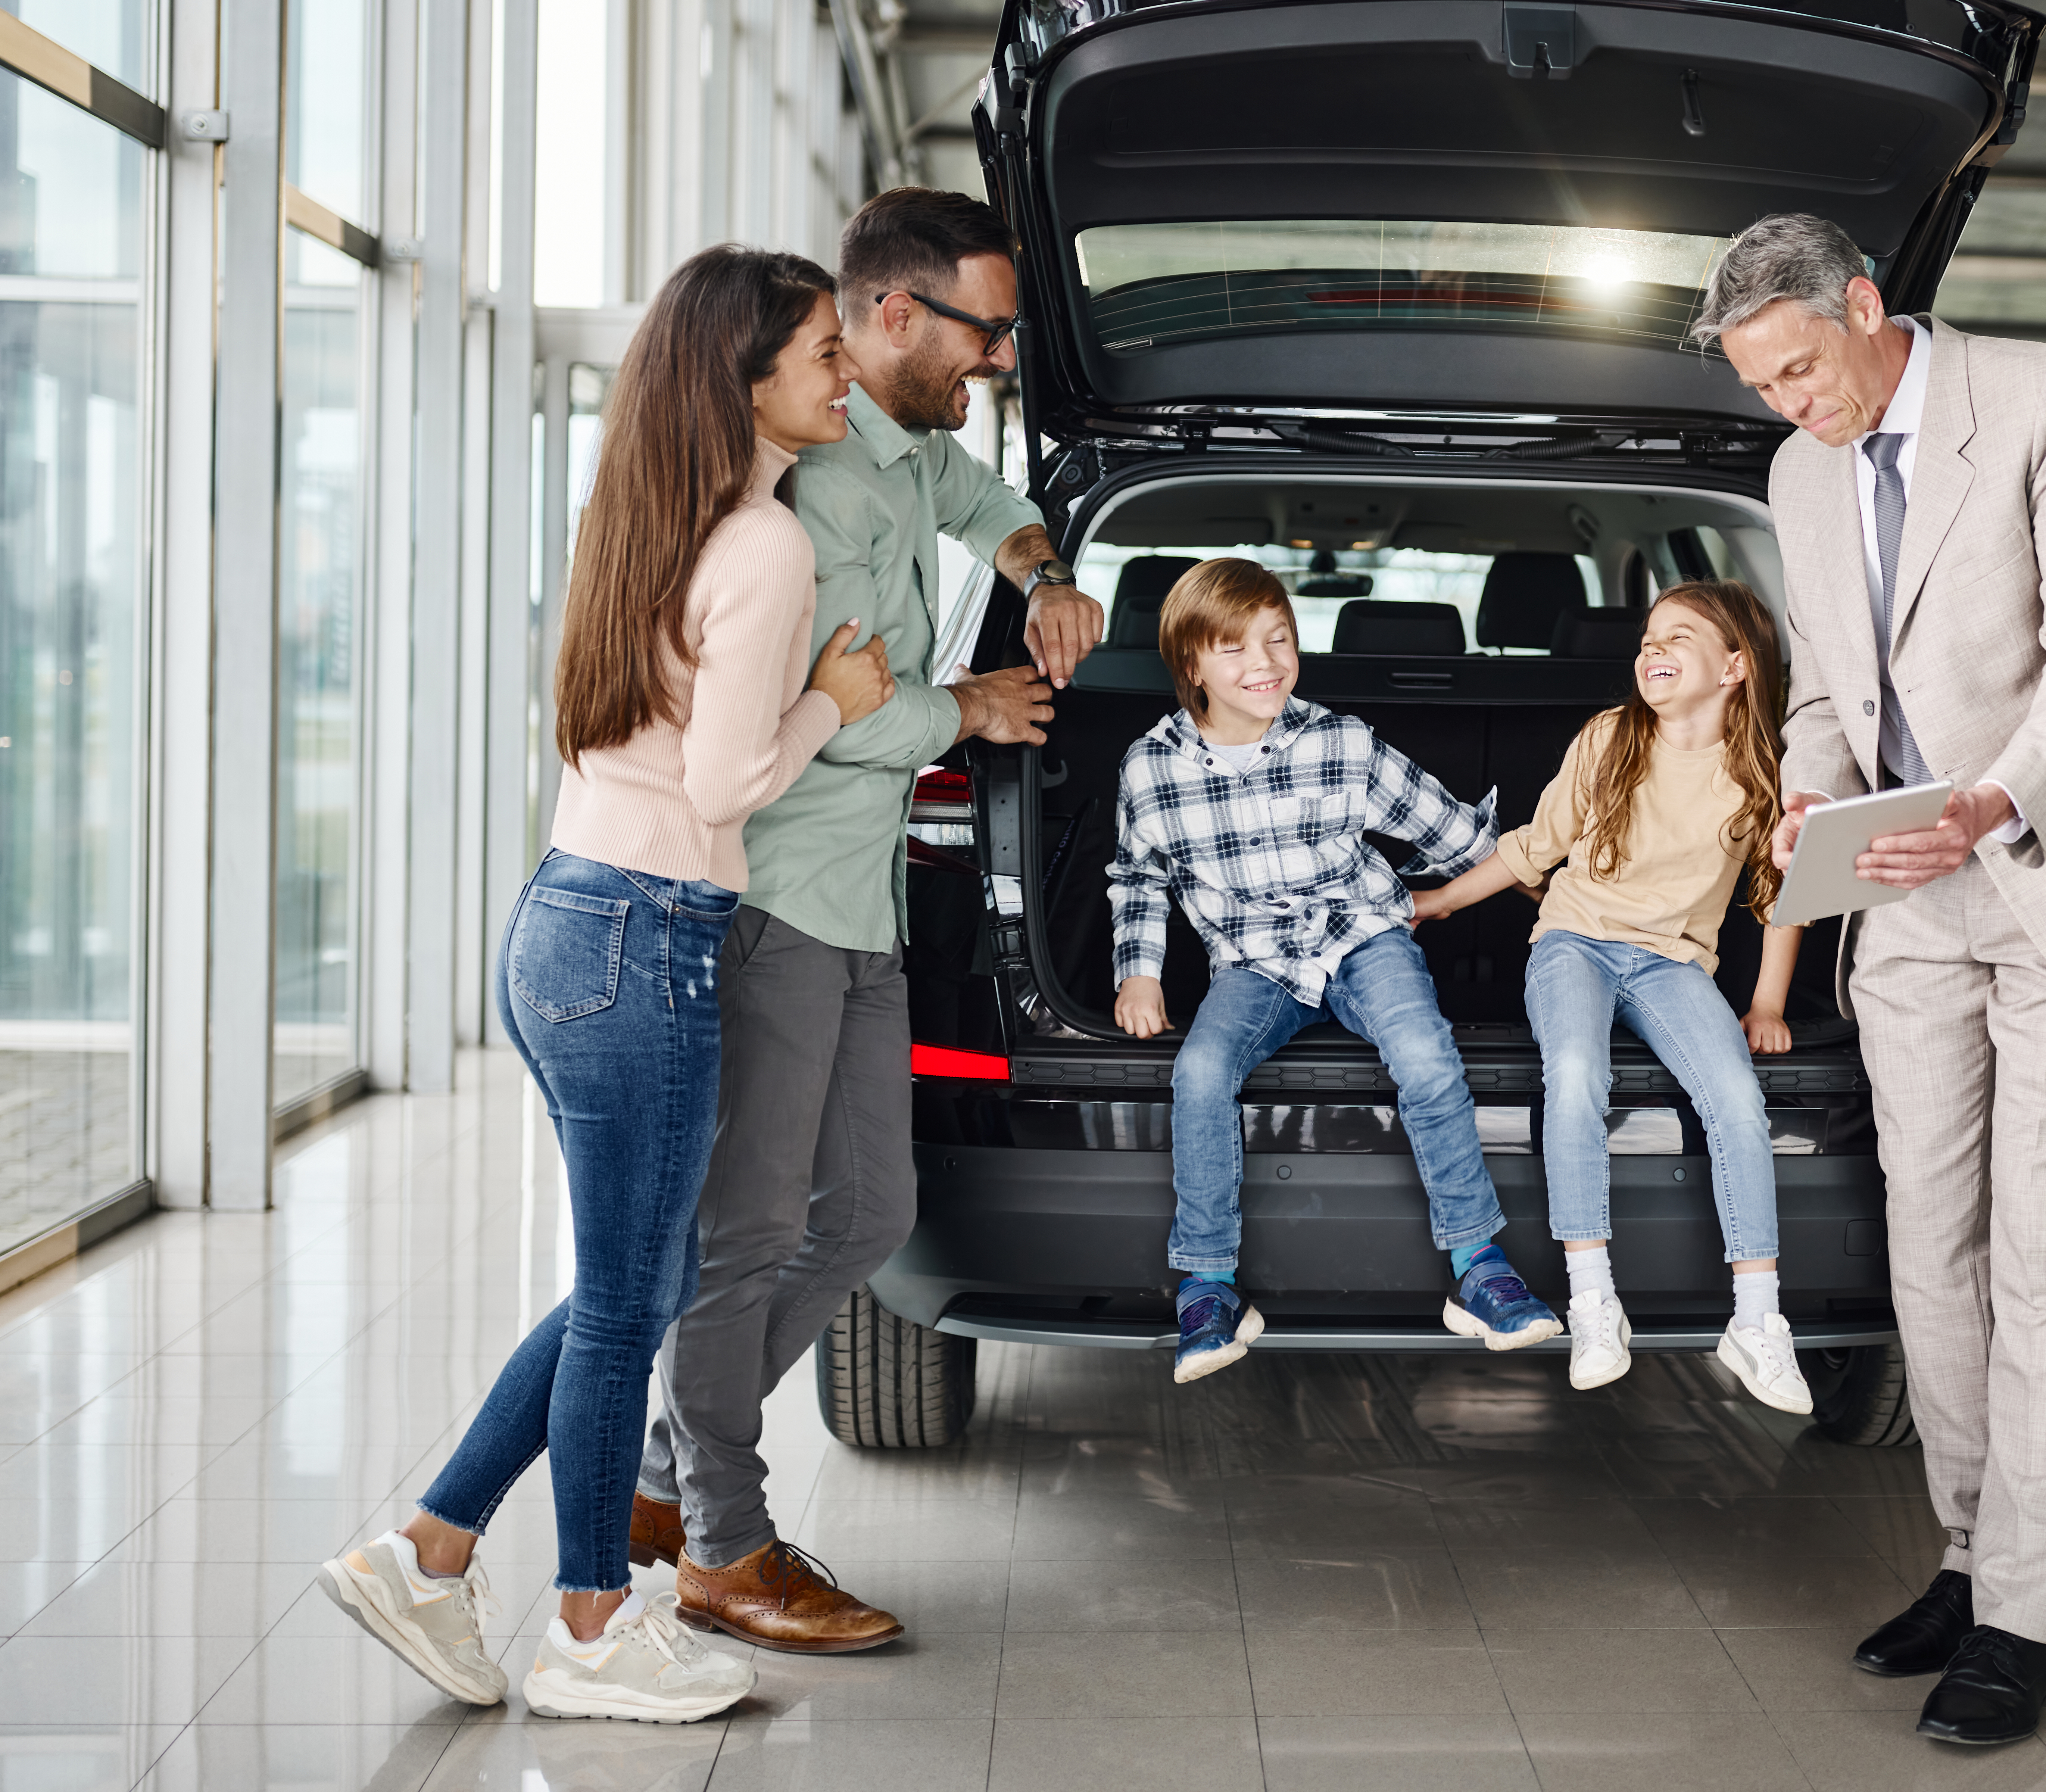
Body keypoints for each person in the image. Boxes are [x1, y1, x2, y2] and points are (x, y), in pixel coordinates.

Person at [316, 246, 896, 1722]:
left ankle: (431, 1549)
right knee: (631, 1296)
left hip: (566, 923)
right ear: (748, 378)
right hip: (648, 937)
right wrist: (837, 700)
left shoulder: (644, 514)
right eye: (825, 352)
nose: (846, 373)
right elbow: (722, 783)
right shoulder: (765, 545)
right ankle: (587, 1626)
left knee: (618, 1289)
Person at [1703, 215, 2046, 1746]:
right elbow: (1821, 692)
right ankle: (1961, 1549)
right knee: (1929, 1241)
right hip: (1902, 895)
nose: (1793, 405)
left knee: (2043, 1248)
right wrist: (1804, 798)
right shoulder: (1800, 473)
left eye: (1802, 368)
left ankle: (2020, 1617)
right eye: (1763, 387)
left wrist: (1988, 800)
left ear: (1864, 307)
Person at [626, 189, 1101, 1653]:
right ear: (895, 316)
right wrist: (964, 705)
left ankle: (658, 1476)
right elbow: (804, 718)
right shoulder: (807, 496)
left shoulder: (905, 452)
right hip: (773, 902)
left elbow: (983, 504)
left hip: (863, 906)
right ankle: (724, 1541)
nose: (1001, 358)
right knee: (754, 1232)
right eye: (988, 329)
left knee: (872, 1215)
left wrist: (1045, 572)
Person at [1110, 557, 1562, 1381]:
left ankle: (1478, 1266)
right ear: (1191, 666)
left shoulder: (1340, 742)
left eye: (1280, 639)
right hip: (1251, 962)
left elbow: (1456, 834)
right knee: (1201, 1069)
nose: (1267, 664)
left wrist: (1556, 871)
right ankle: (1208, 1284)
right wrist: (1139, 973)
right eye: (1237, 649)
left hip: (1364, 939)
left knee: (1426, 1055)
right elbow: (1138, 878)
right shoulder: (1151, 768)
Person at [1409, 581, 1813, 1410]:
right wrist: (1439, 901)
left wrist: (1767, 1004)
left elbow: (1782, 892)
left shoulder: (1761, 771)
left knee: (1737, 1097)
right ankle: (1593, 1300)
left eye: (1679, 638)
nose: (1651, 651)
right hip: (1575, 942)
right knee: (1575, 1074)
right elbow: (1534, 846)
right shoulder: (1613, 738)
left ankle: (1758, 1320)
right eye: (1646, 639)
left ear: (1736, 667)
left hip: (1673, 963)